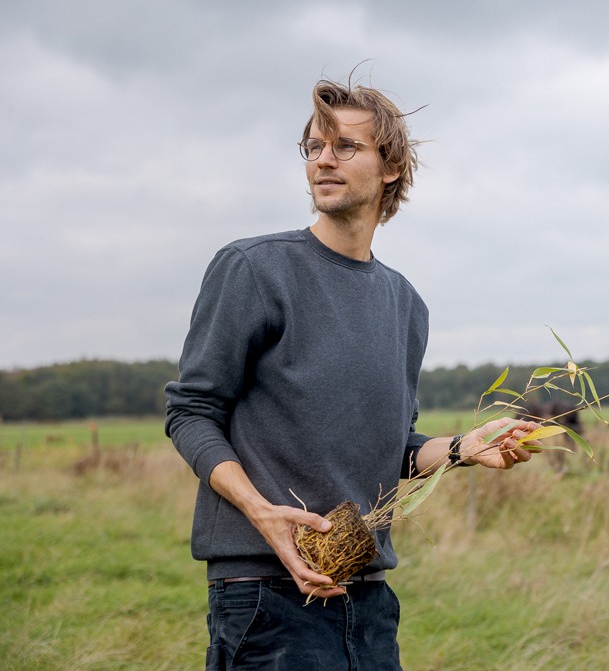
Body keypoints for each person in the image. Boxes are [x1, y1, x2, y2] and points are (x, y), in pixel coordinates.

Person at [164, 76, 540, 670]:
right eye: (314, 147)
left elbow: (391, 451)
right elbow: (190, 412)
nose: (323, 161)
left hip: (368, 600)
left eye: (345, 147)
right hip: (264, 597)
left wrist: (465, 448)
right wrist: (261, 512)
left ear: (390, 166)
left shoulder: (405, 304)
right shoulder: (253, 270)